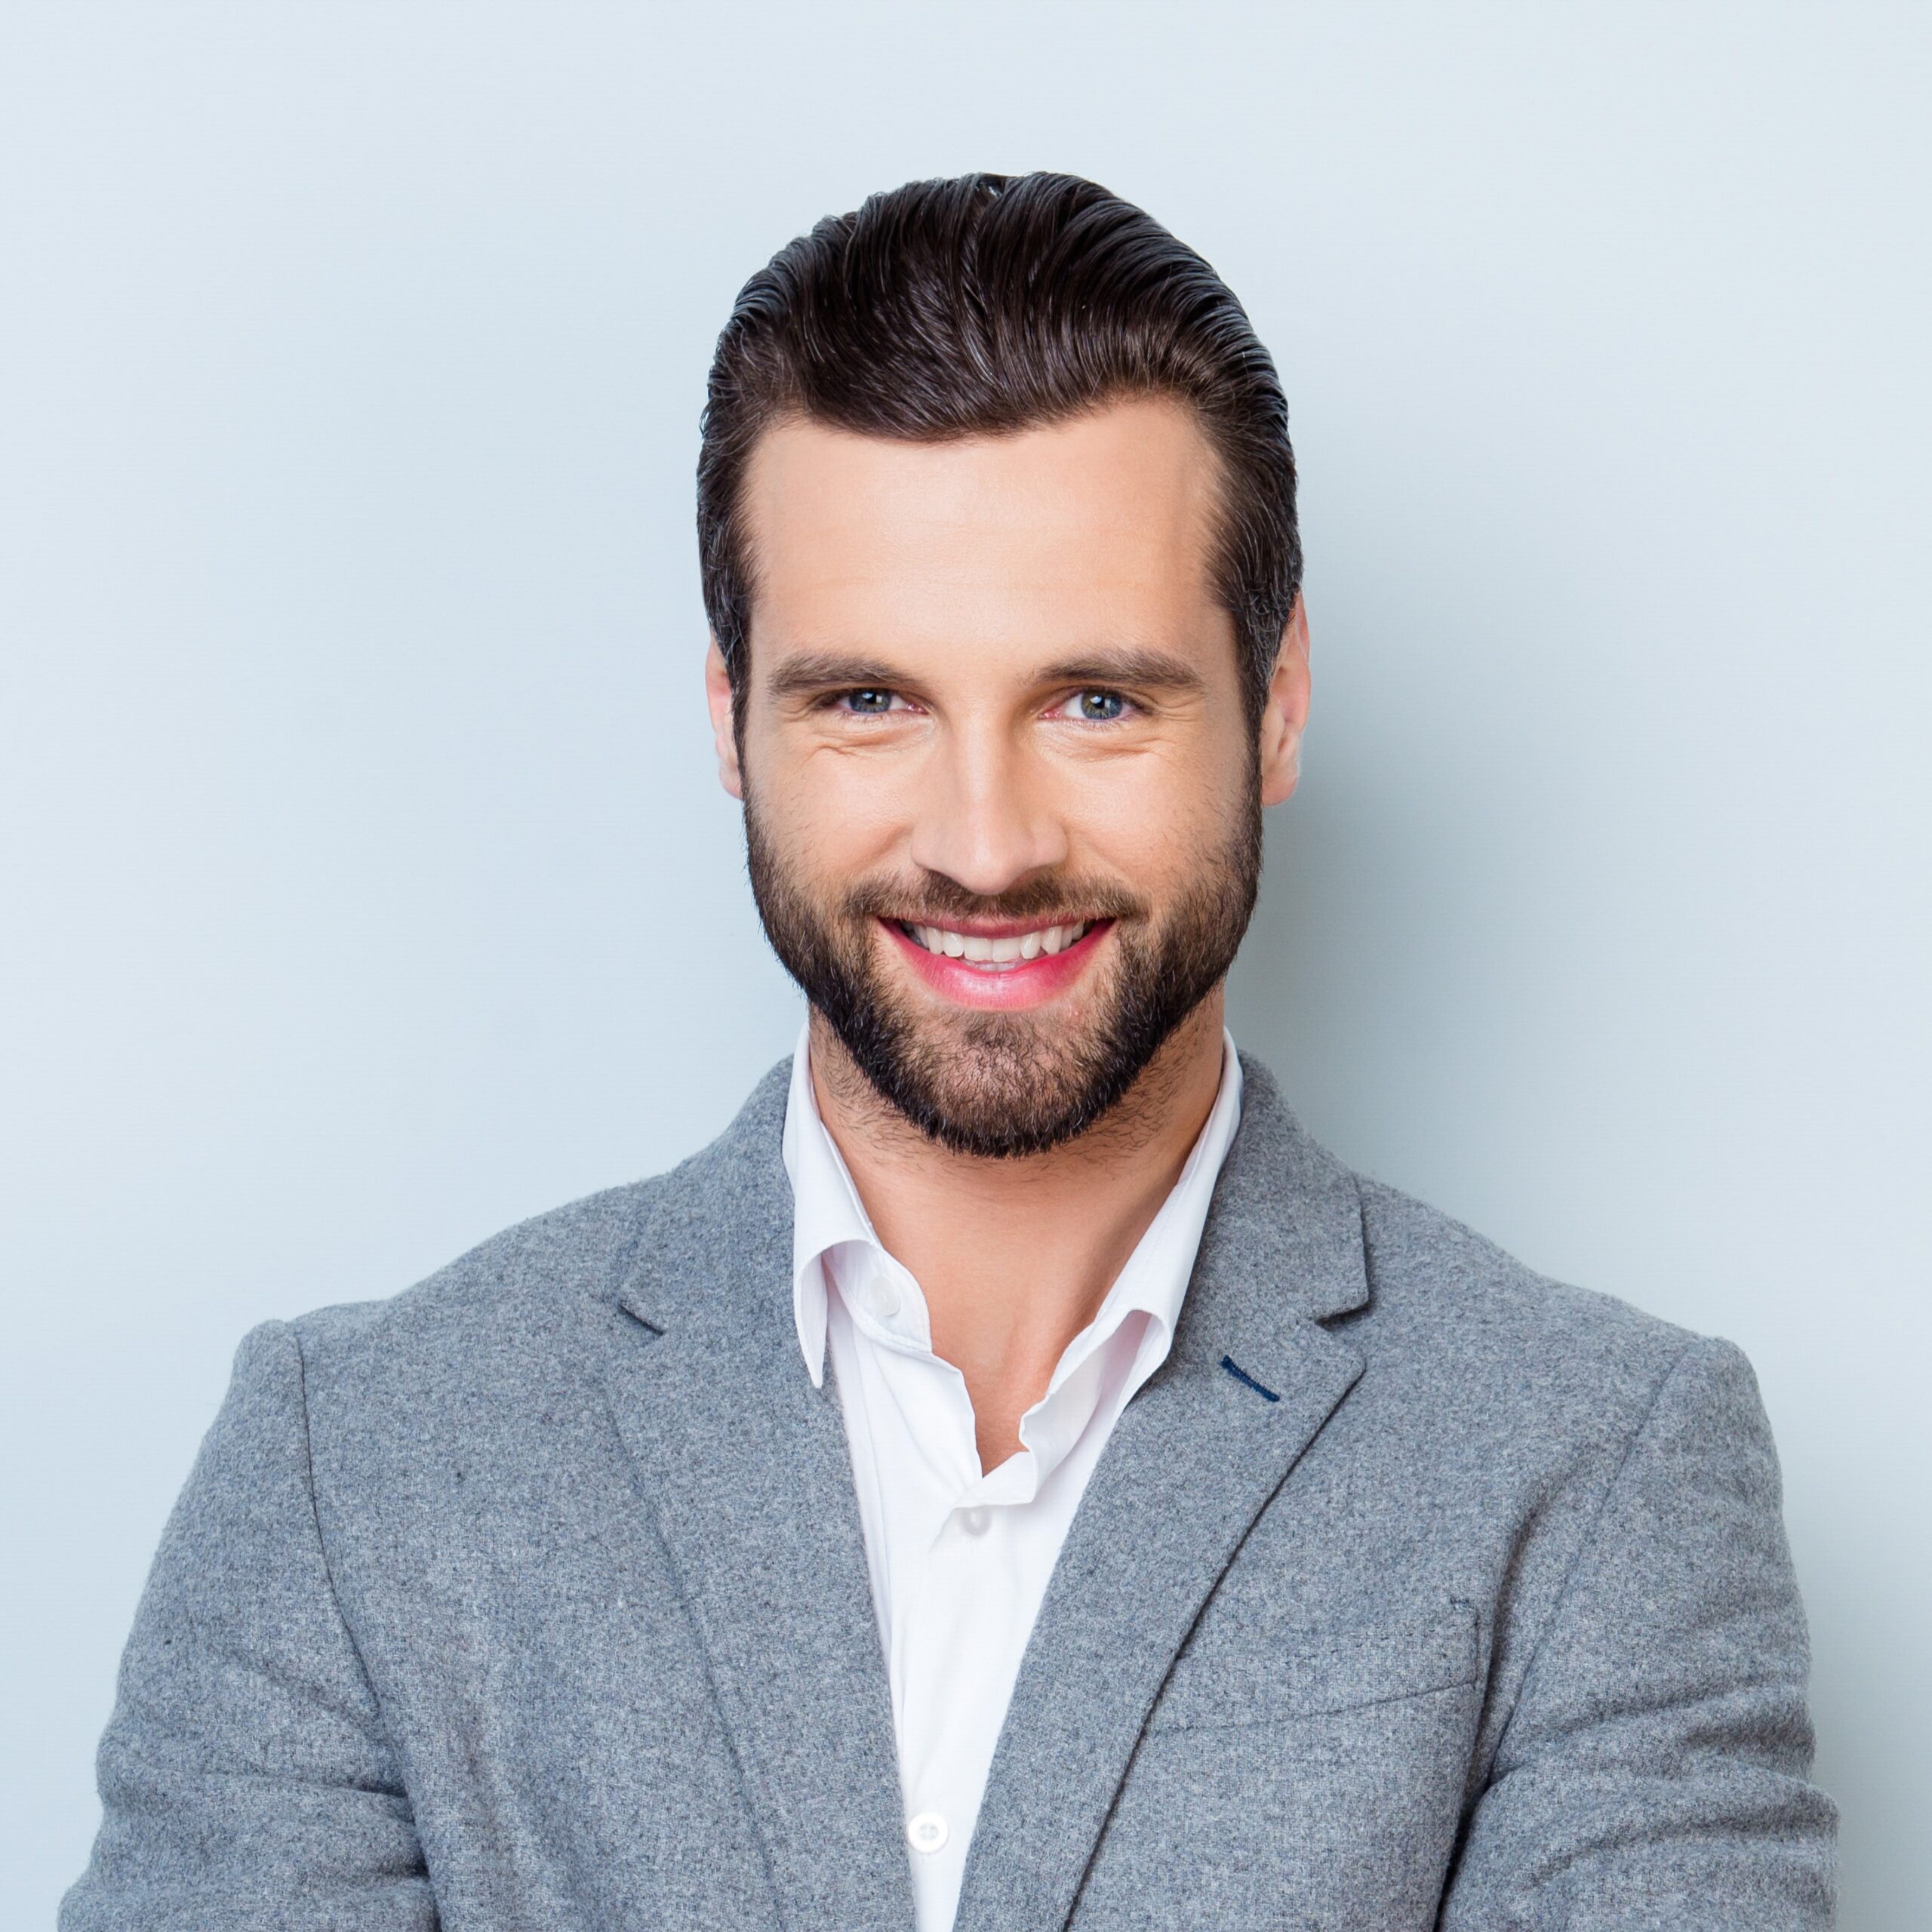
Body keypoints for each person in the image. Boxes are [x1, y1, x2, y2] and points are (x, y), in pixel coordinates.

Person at [63, 171, 1836, 1931]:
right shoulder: (358, 1462)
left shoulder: (1597, 1472)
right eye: (866, 700)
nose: (984, 844)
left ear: (1275, 700)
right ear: (729, 720)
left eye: (1093, 701)